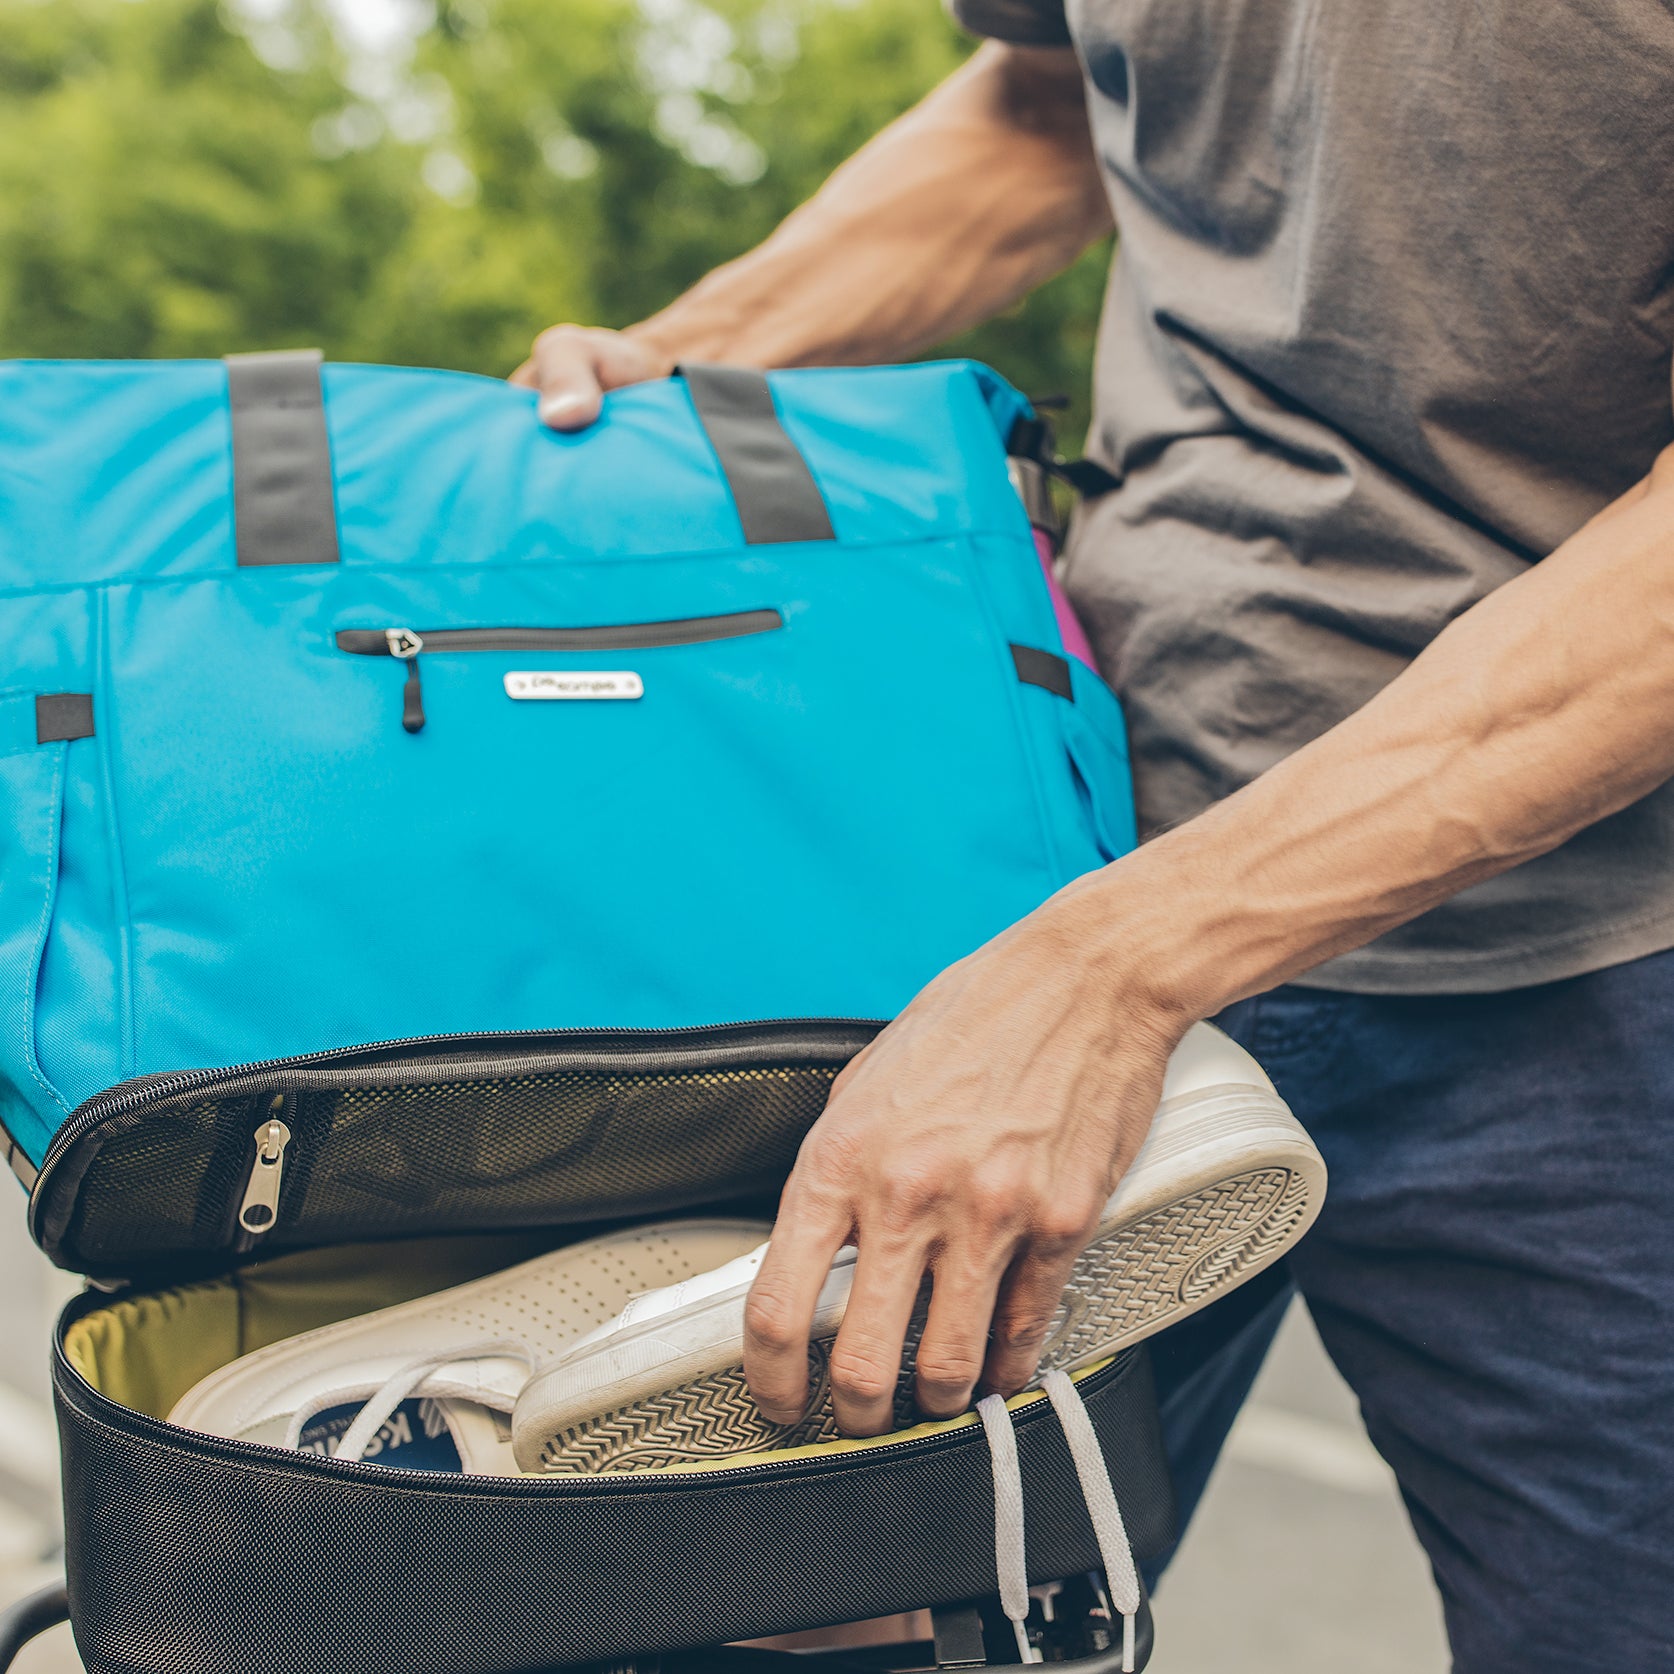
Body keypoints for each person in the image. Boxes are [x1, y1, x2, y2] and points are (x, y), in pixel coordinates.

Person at [512, 6, 1674, 1667]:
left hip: (1591, 941)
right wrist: (688, 359)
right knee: (802, 1630)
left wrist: (1109, 975)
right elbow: (1057, 103)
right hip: (1069, 810)